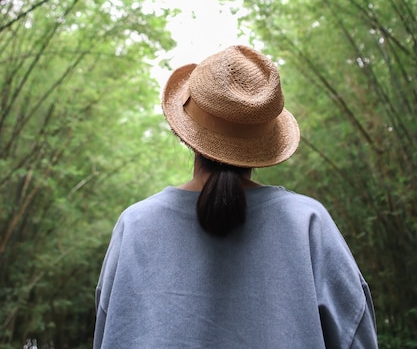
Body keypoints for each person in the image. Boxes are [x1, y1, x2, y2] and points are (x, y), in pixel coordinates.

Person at [93, 45, 378, 348]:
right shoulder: (308, 224)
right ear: (264, 145)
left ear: (185, 134)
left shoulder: (136, 225)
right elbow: (355, 336)